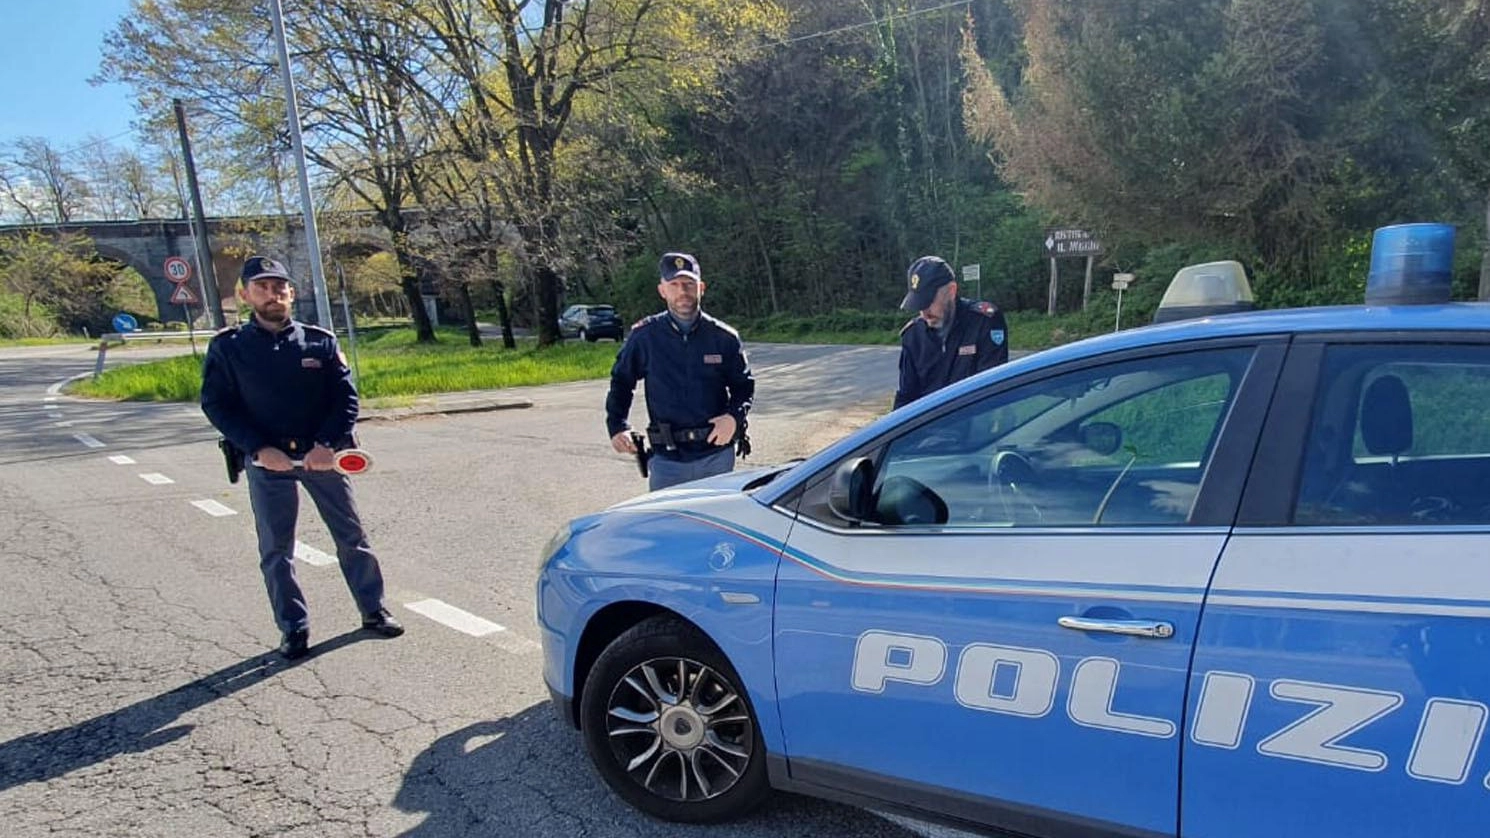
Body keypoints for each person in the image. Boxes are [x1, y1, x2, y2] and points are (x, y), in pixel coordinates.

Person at [201, 256, 403, 661]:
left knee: (352, 538)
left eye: (280, 287)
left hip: (321, 458)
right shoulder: (230, 347)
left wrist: (327, 444)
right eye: (262, 287)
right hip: (268, 461)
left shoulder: (319, 342)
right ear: (245, 294)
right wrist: (259, 448)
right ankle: (293, 627)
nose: (273, 294)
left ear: (291, 293)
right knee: (276, 549)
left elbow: (345, 399)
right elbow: (217, 405)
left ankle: (373, 609)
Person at [606, 252, 755, 491]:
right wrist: (617, 425)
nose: (682, 292)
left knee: (714, 525)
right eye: (674, 285)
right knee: (669, 527)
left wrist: (733, 418)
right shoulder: (645, 337)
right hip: (668, 461)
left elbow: (743, 386)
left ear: (701, 288)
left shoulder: (723, 337)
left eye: (689, 284)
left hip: (715, 456)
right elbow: (622, 382)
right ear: (662, 290)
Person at [894, 255, 1009, 409]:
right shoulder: (913, 336)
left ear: (951, 291)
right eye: (919, 304)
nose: (924, 312)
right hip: (929, 426)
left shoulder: (983, 321)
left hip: (973, 420)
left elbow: (991, 389)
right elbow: (906, 397)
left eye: (929, 302)